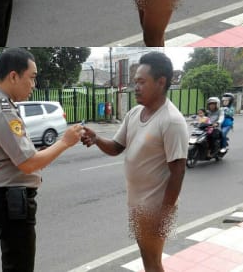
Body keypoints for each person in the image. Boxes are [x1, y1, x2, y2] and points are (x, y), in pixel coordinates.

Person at [80, 52, 188, 272]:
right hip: (137, 203)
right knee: (147, 260)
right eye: (135, 82)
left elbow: (178, 173)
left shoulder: (171, 121)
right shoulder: (134, 113)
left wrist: (163, 215)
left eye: (141, 82)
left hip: (156, 208)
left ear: (161, 82)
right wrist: (97, 139)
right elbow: (116, 148)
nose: (135, 87)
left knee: (153, 262)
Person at [0, 47, 84, 272]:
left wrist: (43, 151)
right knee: (20, 266)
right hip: (11, 201)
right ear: (14, 76)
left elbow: (19, 153)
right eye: (32, 78)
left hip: (5, 198)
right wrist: (65, 141)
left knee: (15, 263)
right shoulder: (2, 110)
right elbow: (28, 164)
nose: (34, 85)